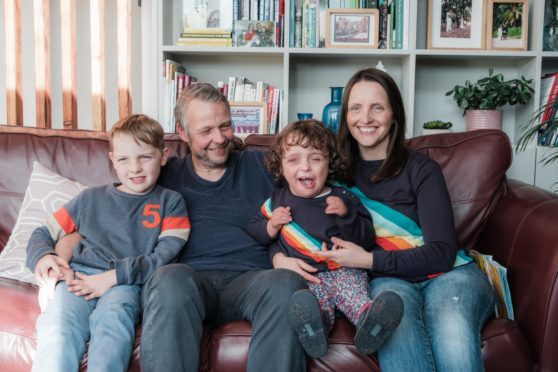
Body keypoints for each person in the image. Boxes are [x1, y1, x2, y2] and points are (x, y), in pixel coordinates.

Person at [316, 68, 495, 371]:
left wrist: (368, 260)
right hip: (390, 281)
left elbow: (441, 254)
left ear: (394, 113)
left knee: (450, 326)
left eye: (378, 107)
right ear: (345, 115)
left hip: (450, 274)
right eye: (356, 108)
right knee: (393, 327)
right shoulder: (333, 175)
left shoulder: (422, 170)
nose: (366, 118)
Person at [140, 83, 310, 371]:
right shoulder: (163, 175)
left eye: (226, 126)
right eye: (206, 131)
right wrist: (56, 248)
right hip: (188, 281)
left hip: (252, 280)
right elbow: (108, 209)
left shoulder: (262, 165)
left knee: (287, 283)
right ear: (182, 133)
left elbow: (316, 185)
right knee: (169, 278)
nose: (219, 139)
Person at [26, 114, 190, 371]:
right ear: (113, 159)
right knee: (57, 327)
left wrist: (114, 277)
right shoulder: (89, 199)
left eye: (145, 157)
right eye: (124, 159)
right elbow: (42, 232)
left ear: (163, 155)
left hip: (126, 283)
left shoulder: (171, 202)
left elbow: (164, 257)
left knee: (113, 327)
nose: (135, 168)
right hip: (78, 278)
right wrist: (44, 257)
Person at [247, 120, 403, 358]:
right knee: (312, 305)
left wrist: (346, 215)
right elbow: (257, 233)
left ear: (330, 163)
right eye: (294, 159)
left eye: (315, 158)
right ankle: (315, 328)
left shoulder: (343, 197)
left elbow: (366, 238)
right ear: (281, 166)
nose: (306, 168)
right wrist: (271, 225)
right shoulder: (276, 201)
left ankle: (370, 322)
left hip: (344, 270)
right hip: (307, 277)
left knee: (354, 295)